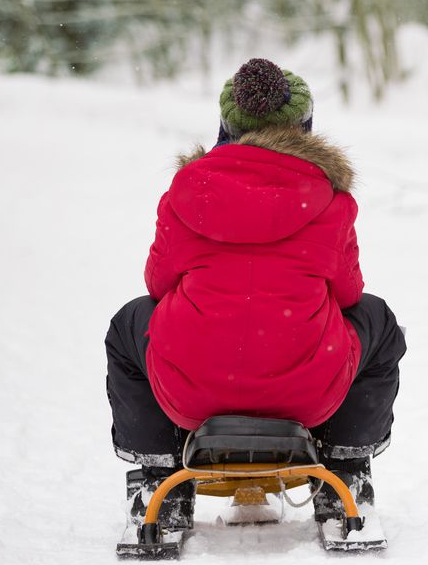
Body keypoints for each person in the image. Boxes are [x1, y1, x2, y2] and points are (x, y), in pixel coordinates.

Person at [105, 58, 406, 528]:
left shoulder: (187, 192)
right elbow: (349, 295)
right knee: (377, 320)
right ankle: (345, 473)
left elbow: (158, 286)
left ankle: (159, 481)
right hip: (306, 394)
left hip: (192, 394)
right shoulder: (330, 198)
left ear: (226, 126)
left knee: (129, 322)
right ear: (304, 128)